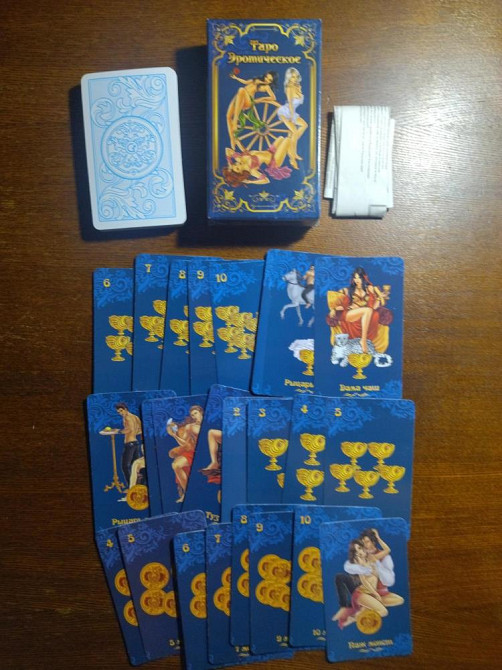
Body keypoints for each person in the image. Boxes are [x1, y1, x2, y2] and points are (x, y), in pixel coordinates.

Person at [328, 267, 389, 354]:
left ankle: (363, 340)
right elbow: (343, 306)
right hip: (349, 314)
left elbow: (373, 307)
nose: (356, 280)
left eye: (359, 277)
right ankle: (363, 341)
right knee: (367, 310)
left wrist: (379, 298)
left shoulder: (370, 289)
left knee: (369, 311)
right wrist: (334, 309)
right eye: (355, 278)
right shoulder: (348, 290)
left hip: (365, 314)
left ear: (364, 278)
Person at [332, 540, 389, 628]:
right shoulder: (359, 565)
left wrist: (377, 537)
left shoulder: (372, 558)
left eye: (359, 548)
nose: (359, 552)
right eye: (356, 552)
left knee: (382, 611)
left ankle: (354, 618)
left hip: (369, 594)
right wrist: (375, 593)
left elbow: (387, 550)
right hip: (361, 594)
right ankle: (354, 617)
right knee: (384, 612)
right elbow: (365, 582)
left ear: (364, 548)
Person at [226, 71, 278, 149]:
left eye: (269, 80)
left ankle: (235, 121)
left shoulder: (266, 87)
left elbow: (273, 97)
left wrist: (261, 99)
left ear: (272, 82)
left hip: (248, 100)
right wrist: (236, 78)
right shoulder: (256, 80)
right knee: (228, 116)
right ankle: (232, 140)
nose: (266, 80)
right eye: (266, 77)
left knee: (241, 90)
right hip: (239, 98)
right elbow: (245, 82)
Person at [222, 135, 295, 187]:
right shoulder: (251, 170)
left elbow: (227, 150)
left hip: (270, 151)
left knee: (281, 138)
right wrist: (250, 182)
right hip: (274, 160)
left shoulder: (240, 158)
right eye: (238, 168)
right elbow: (266, 180)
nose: (238, 164)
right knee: (288, 140)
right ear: (240, 173)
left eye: (235, 164)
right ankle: (293, 159)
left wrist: (229, 164)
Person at [167, 405, 204, 503]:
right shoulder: (190, 427)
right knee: (176, 465)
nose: (194, 416)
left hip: (208, 452)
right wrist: (174, 436)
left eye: (196, 413)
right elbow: (185, 444)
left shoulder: (209, 424)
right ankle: (187, 493)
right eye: (192, 415)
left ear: (201, 412)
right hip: (195, 452)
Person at [277, 67, 308, 169]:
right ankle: (292, 157)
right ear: (289, 78)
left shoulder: (297, 87)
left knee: (304, 125)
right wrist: (291, 117)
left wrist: (299, 90)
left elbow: (299, 100)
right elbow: (290, 103)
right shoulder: (289, 88)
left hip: (292, 112)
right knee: (294, 132)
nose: (294, 79)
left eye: (296, 77)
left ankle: (291, 148)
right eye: (292, 77)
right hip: (286, 112)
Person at [114, 403, 143, 493]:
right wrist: (133, 433)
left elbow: (129, 429)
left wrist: (118, 431)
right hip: (135, 443)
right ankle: (139, 486)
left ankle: (131, 487)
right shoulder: (135, 417)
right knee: (137, 467)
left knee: (125, 466)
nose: (120, 413)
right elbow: (140, 429)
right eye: (119, 412)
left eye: (121, 411)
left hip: (129, 444)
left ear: (125, 409)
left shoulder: (127, 417)